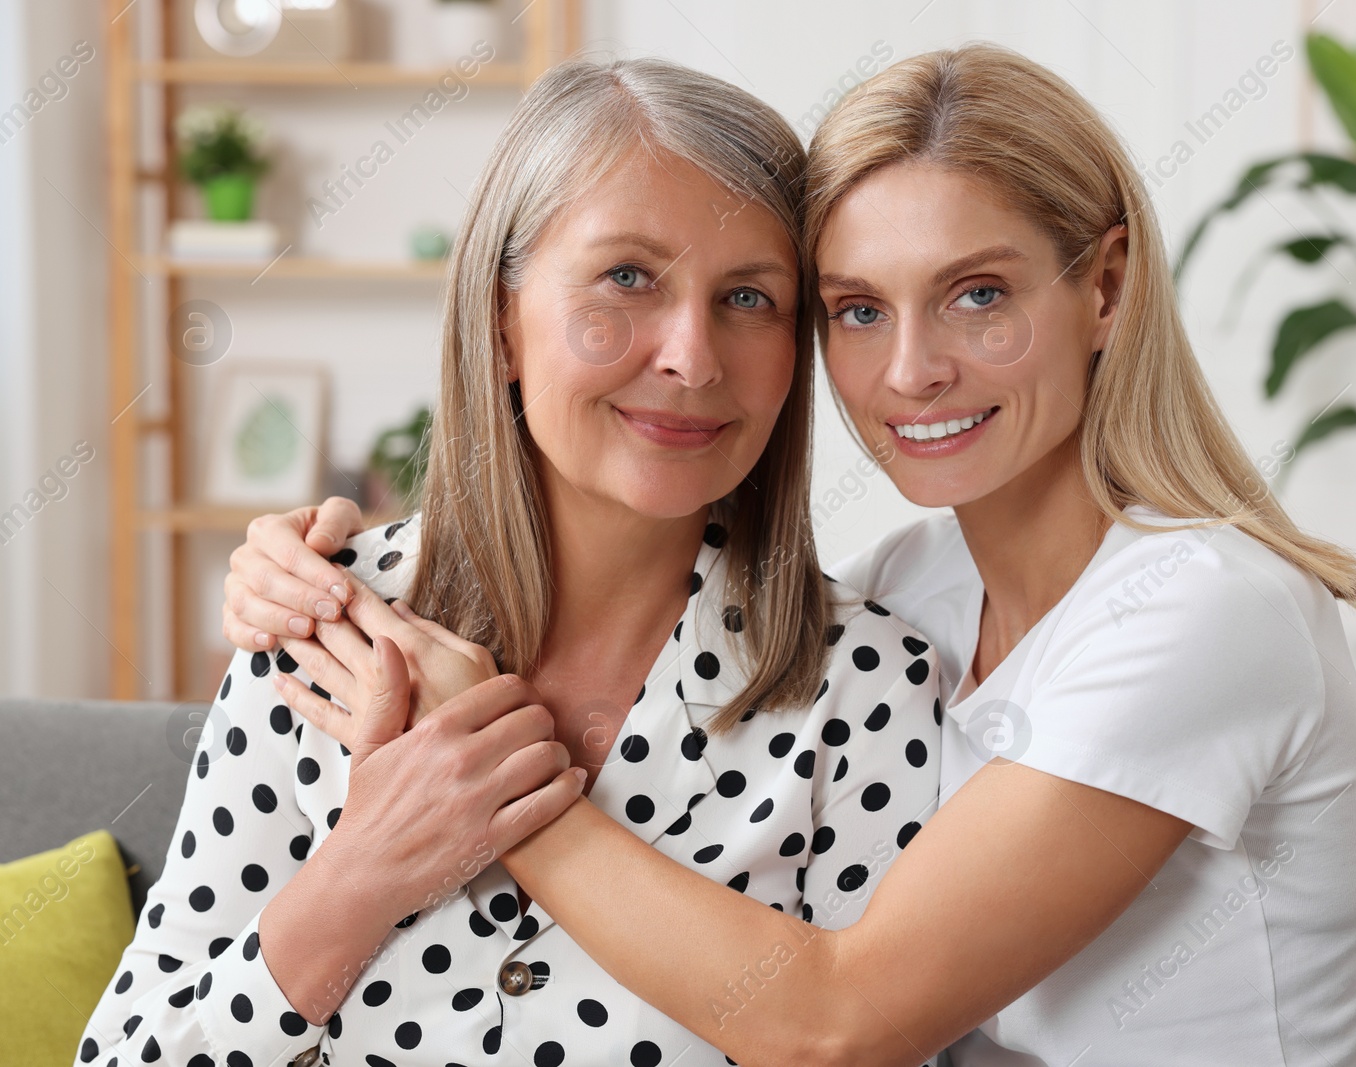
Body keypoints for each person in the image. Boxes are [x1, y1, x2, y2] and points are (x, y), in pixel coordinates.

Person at [221, 43, 1356, 1066]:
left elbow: (838, 1026)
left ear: (1107, 286)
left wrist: (475, 774)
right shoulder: (911, 590)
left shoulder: (1204, 611)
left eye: (976, 294)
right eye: (858, 309)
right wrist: (301, 559)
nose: (911, 371)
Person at [76, 57, 942, 1067]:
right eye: (628, 277)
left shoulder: (864, 682)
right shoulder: (323, 621)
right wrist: (362, 873)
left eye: (749, 297)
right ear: (500, 324)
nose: (692, 357)